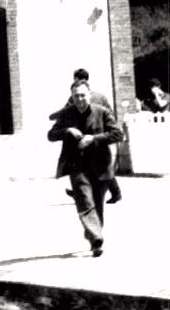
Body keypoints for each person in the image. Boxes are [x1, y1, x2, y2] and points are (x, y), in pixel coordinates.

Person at [48, 80, 124, 257]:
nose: (80, 99)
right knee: (84, 199)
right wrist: (67, 130)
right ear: (72, 97)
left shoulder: (102, 112)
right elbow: (51, 135)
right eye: (76, 96)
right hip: (77, 165)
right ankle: (96, 237)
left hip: (100, 165)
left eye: (83, 95)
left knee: (97, 205)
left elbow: (117, 134)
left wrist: (94, 138)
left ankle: (94, 237)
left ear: (89, 95)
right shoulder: (67, 114)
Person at [73, 69, 122, 203]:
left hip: (90, 135)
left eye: (75, 79)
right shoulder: (101, 96)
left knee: (101, 167)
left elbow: (69, 112)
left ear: (77, 79)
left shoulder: (78, 95)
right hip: (101, 133)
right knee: (97, 165)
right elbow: (110, 113)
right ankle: (84, 190)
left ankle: (113, 193)